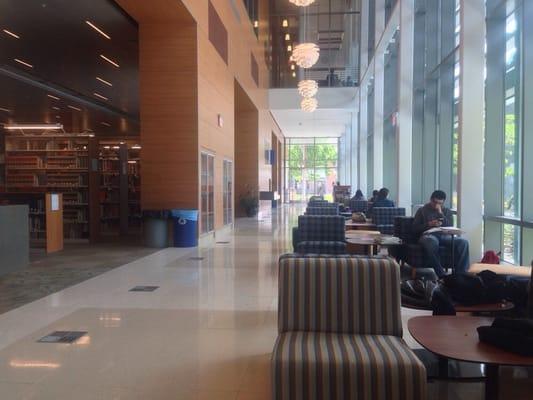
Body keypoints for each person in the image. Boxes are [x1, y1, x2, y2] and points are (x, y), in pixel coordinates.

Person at [413, 190, 470, 277]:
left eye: (440, 203)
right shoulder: (422, 210)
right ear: (430, 200)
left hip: (444, 235)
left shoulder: (447, 211)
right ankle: (441, 274)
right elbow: (415, 228)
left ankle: (461, 275)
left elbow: (450, 225)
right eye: (435, 202)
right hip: (429, 235)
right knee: (431, 242)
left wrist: (440, 213)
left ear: (443, 202)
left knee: (463, 242)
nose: (437, 205)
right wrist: (429, 224)